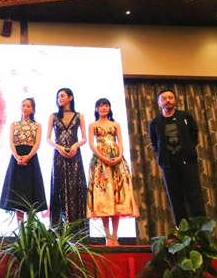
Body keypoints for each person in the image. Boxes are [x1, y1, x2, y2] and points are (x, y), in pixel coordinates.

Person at [149, 88, 206, 224]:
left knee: (195, 197)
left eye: (170, 98)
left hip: (188, 162)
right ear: (159, 102)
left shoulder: (185, 117)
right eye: (164, 98)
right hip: (168, 164)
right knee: (176, 200)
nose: (168, 100)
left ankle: (202, 231)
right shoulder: (155, 122)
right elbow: (154, 142)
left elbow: (194, 135)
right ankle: (183, 231)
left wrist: (188, 148)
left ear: (175, 100)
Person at [86, 98, 139, 246]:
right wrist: (102, 157)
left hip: (117, 161)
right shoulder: (93, 125)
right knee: (104, 197)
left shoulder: (115, 124)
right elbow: (91, 144)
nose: (104, 108)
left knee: (117, 198)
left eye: (106, 106)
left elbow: (120, 142)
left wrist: (119, 156)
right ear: (96, 109)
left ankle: (115, 236)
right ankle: (107, 236)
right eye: (101, 106)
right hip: (100, 162)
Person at [0, 98, 47, 223]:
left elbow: (37, 143)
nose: (25, 108)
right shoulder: (14, 125)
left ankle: (31, 227)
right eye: (23, 105)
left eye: (28, 106)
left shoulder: (37, 125)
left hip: (31, 159)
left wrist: (28, 156)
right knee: (17, 194)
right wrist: (16, 156)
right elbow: (11, 142)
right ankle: (20, 229)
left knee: (30, 192)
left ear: (33, 110)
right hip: (16, 159)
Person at [46, 88, 87, 228]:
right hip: (59, 155)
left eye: (62, 96)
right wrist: (59, 147)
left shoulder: (79, 116)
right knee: (59, 188)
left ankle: (77, 229)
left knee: (76, 188)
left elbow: (84, 138)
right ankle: (58, 229)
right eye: (58, 97)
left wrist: (75, 145)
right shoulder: (53, 116)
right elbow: (48, 138)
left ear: (70, 98)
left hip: (75, 155)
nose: (59, 99)